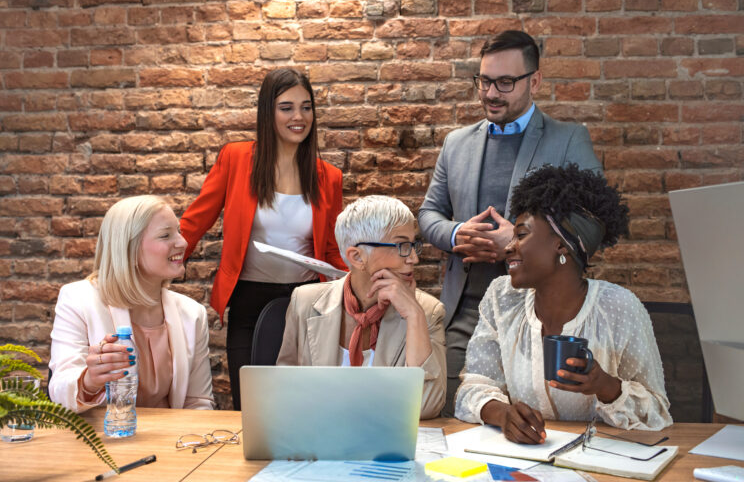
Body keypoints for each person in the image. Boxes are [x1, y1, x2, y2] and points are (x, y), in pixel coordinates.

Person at [418, 30, 603, 416]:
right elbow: (427, 215)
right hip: (466, 313)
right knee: (454, 418)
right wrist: (456, 233)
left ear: (534, 81)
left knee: (533, 424)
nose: (490, 93)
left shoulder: (569, 139)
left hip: (542, 313)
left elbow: (593, 223)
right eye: (484, 81)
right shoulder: (456, 143)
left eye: (505, 82)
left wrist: (518, 240)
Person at [455, 165, 673, 442]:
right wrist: (502, 414)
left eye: (520, 235)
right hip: (523, 459)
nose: (508, 247)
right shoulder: (502, 297)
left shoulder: (619, 307)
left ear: (560, 245)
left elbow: (657, 413)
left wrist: (605, 386)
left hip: (602, 460)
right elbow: (474, 386)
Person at [180, 68, 346, 410]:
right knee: (252, 407)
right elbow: (196, 221)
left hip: (306, 303)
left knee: (302, 407)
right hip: (248, 301)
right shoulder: (236, 159)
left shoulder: (328, 177)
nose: (298, 117)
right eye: (286, 107)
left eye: (306, 107)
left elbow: (331, 249)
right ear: (267, 111)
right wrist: (157, 263)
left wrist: (354, 287)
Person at [277, 195, 447, 419]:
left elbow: (426, 406)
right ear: (357, 257)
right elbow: (281, 392)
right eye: (401, 246)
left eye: (413, 245)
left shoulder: (428, 311)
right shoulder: (305, 302)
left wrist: (414, 316)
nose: (413, 258)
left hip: (385, 445)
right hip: (318, 438)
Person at [49, 195, 214, 412]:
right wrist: (90, 381)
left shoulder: (193, 313)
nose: (183, 242)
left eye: (179, 231)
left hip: (173, 441)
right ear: (129, 248)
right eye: (166, 235)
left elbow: (199, 403)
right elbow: (60, 393)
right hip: (103, 440)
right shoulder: (78, 299)